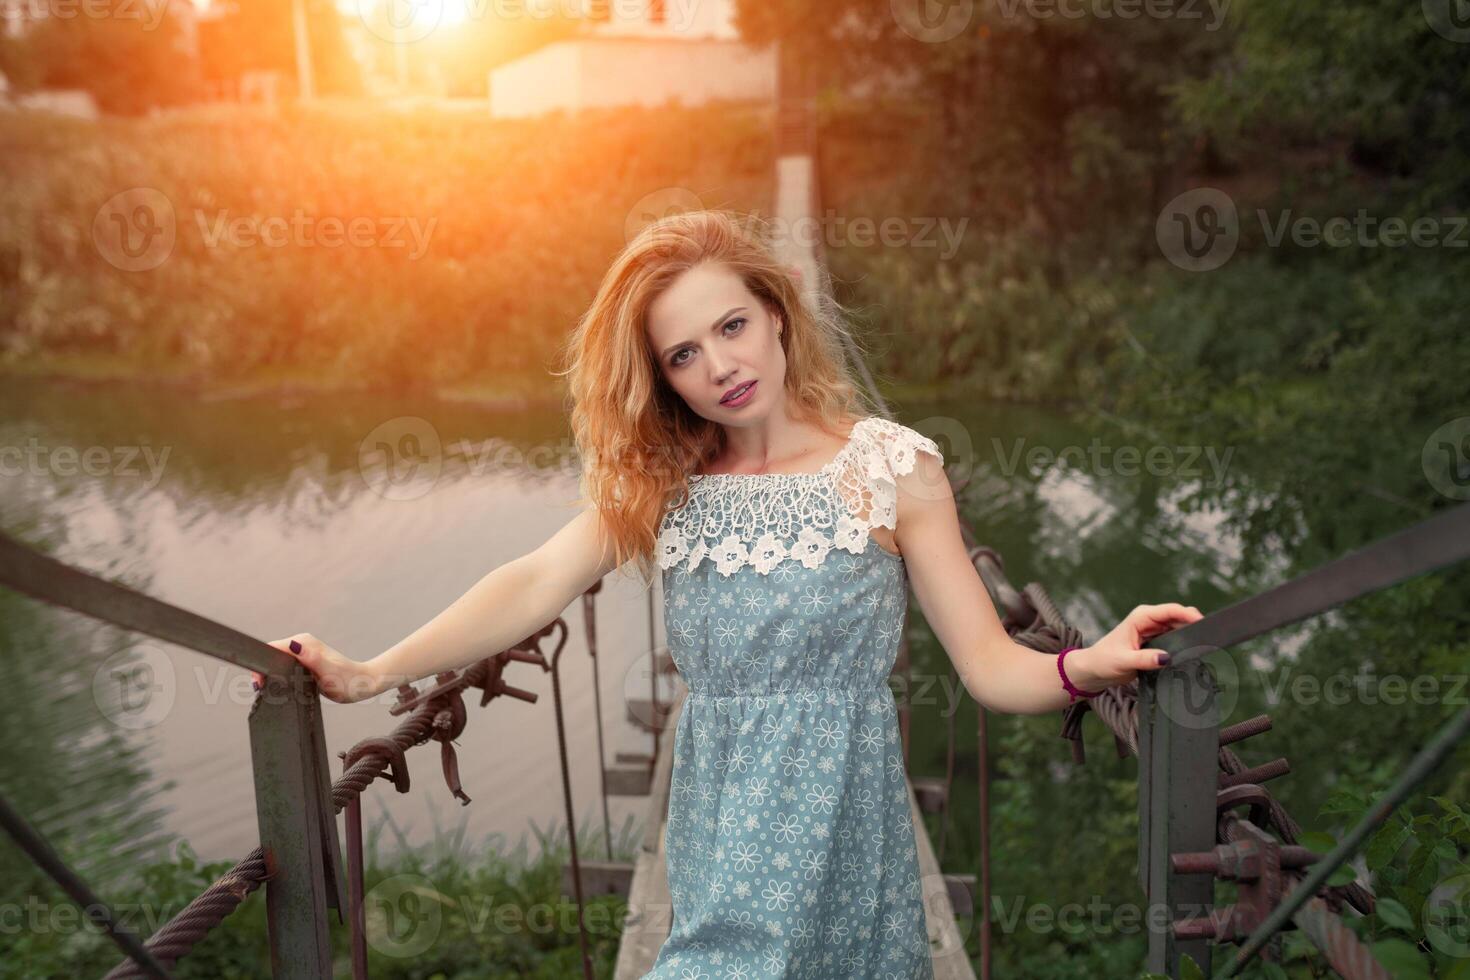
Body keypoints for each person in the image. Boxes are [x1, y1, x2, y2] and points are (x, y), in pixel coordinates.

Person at [252, 210, 1203, 977]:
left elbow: (993, 666)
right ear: (662, 377)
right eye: (684, 354)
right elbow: (534, 580)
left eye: (732, 326)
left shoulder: (891, 469)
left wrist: (1090, 663)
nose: (721, 366)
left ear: (777, 315)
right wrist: (371, 671)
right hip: (723, 835)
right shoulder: (665, 484)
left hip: (846, 826)